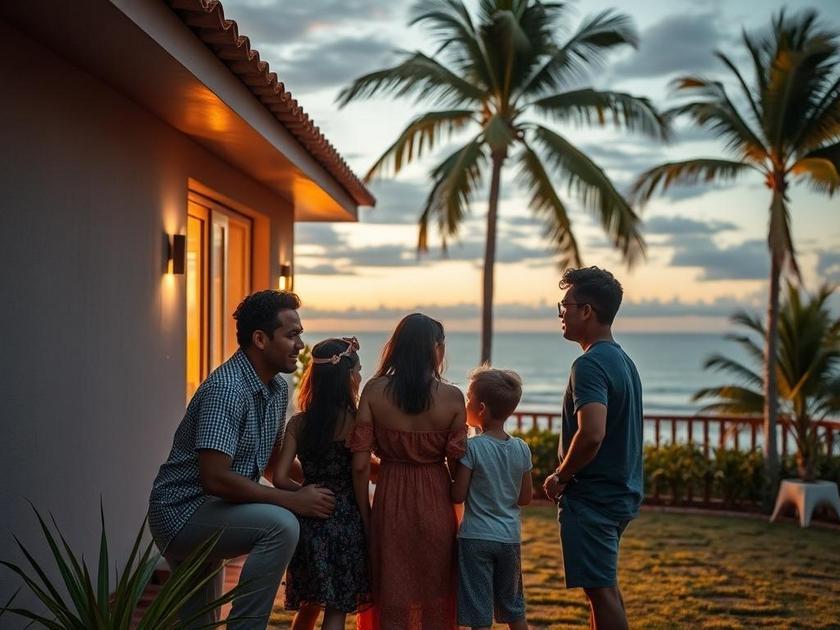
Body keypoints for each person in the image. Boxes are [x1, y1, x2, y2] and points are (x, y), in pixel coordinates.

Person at [148, 290, 336, 629]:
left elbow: (273, 462)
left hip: (216, 508)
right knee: (280, 524)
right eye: (292, 335)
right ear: (261, 339)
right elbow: (215, 478)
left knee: (199, 621)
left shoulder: (277, 389)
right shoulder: (228, 390)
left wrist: (328, 483)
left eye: (301, 335)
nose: (300, 345)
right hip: (183, 510)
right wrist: (294, 501)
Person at [349, 313, 466, 630]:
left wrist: (365, 511)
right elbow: (459, 467)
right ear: (436, 349)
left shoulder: (374, 390)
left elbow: (359, 464)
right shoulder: (453, 397)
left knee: (392, 588)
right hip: (436, 501)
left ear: (396, 347)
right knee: (435, 589)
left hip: (390, 500)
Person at [542, 267, 643, 630]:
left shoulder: (589, 364)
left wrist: (560, 476)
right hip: (620, 492)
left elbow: (592, 433)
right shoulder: (623, 361)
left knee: (601, 591)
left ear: (587, 310)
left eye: (565, 305)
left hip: (594, 497)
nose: (561, 314)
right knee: (601, 589)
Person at [272, 337, 372, 629]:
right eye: (358, 370)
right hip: (345, 521)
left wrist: (303, 492)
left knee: (309, 606)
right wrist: (366, 520)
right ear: (348, 377)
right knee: (337, 610)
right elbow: (360, 471)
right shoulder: (357, 423)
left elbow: (279, 478)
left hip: (309, 522)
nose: (360, 376)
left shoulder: (298, 424)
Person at [451, 367, 533, 630]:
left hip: (475, 537)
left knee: (479, 613)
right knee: (514, 608)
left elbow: (458, 494)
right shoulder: (522, 448)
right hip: (509, 538)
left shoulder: (473, 448)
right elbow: (525, 497)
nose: (465, 403)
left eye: (468, 398)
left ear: (481, 408)